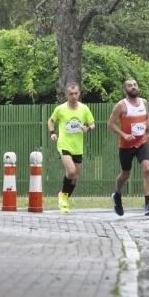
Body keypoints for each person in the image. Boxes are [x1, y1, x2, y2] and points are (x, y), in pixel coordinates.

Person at [107, 79, 149, 217]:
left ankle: (148, 204)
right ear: (125, 90)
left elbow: (146, 119)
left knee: (147, 169)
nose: (133, 87)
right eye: (130, 86)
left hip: (142, 142)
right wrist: (124, 135)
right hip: (126, 145)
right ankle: (117, 195)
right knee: (125, 174)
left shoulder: (144, 102)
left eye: (135, 85)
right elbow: (110, 124)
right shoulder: (121, 105)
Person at [48, 83, 96, 214]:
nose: (73, 96)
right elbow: (51, 120)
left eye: (76, 93)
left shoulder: (84, 109)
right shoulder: (60, 109)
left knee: (75, 177)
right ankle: (63, 197)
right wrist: (52, 133)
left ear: (79, 93)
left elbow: (93, 124)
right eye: (71, 94)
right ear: (66, 94)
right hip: (64, 144)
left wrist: (88, 128)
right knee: (71, 170)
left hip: (77, 147)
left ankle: (64, 197)